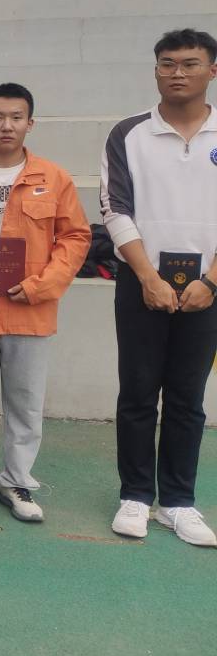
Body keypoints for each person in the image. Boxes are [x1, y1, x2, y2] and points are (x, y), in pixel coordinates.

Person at [102, 28, 217, 547]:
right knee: (138, 393)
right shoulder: (128, 133)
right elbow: (115, 208)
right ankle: (134, 496)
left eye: (189, 63)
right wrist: (148, 276)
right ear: (155, 70)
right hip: (140, 283)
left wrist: (210, 282)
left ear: (211, 70)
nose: (177, 72)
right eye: (167, 63)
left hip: (207, 289)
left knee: (188, 398)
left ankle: (177, 502)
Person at [0, 83, 90, 523]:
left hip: (30, 309)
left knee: (26, 401)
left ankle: (17, 481)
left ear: (30, 123)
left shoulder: (53, 178)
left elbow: (75, 237)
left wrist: (42, 285)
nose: (6, 125)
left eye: (16, 117)